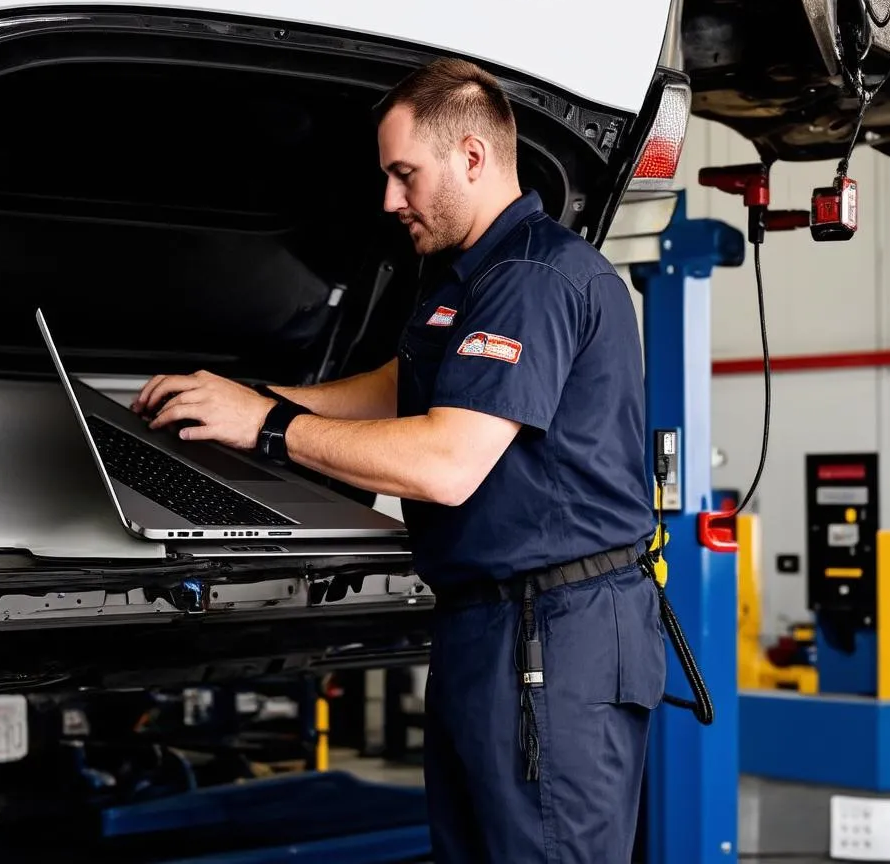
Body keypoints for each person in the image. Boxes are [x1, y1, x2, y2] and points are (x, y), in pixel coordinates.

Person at [132, 57, 666, 863]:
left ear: (473, 158)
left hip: (555, 636)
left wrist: (269, 426)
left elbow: (447, 461)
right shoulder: (469, 277)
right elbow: (396, 387)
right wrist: (243, 398)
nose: (389, 200)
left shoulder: (534, 276)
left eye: (404, 174)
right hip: (491, 629)